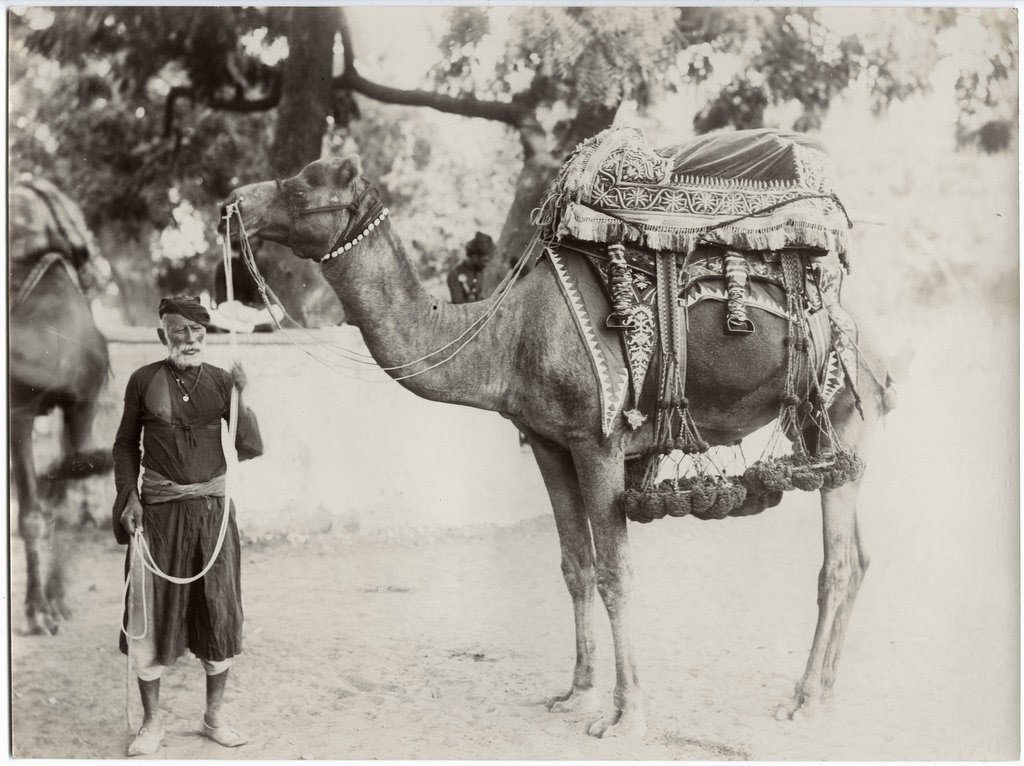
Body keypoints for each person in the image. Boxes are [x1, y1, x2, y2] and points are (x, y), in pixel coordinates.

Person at [112, 295, 263, 757]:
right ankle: (152, 725)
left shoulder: (220, 382)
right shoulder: (143, 381)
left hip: (212, 517)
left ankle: (213, 718)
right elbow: (123, 446)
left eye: (198, 330)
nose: (190, 338)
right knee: (149, 617)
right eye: (180, 331)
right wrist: (129, 498)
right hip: (156, 515)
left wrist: (242, 396)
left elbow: (249, 445)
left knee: (217, 613)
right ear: (164, 335)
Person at [447, 231, 495, 304]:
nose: (487, 264)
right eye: (485, 260)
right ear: (474, 257)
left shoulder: (480, 271)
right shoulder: (455, 274)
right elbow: (458, 306)